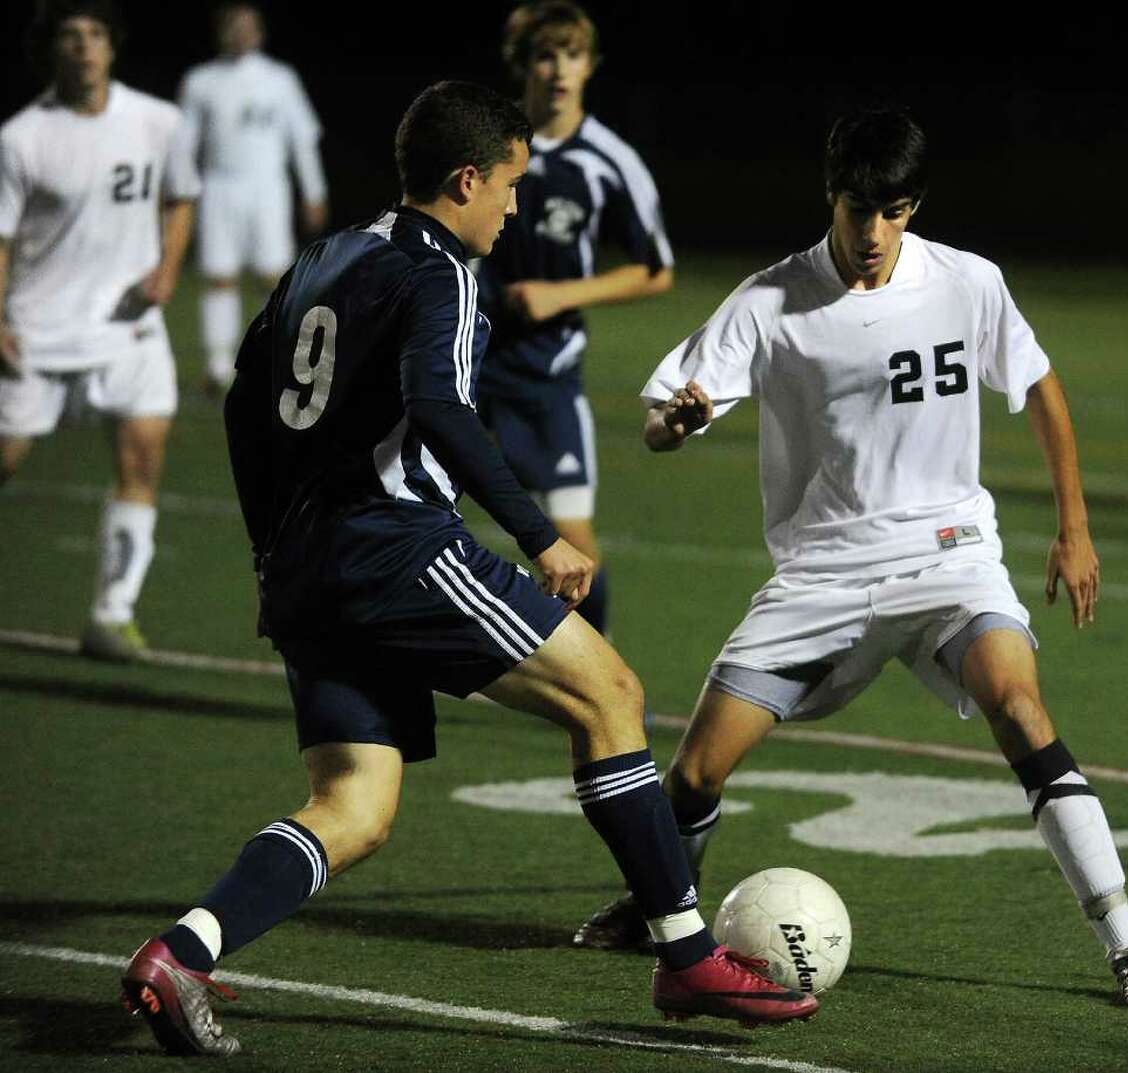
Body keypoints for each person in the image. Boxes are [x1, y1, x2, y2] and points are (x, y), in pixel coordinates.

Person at [118, 80, 816, 1057]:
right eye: (509, 186)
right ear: (465, 179)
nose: (515, 207)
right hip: (391, 543)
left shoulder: (328, 253)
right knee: (610, 693)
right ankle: (689, 953)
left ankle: (179, 953)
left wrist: (269, 553)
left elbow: (246, 400)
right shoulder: (439, 270)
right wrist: (542, 533)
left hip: (307, 562)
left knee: (353, 807)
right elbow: (439, 407)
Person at [572, 107, 1128, 1014]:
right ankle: (659, 908)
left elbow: (1041, 383)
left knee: (1019, 705)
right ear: (832, 195)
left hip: (950, 555)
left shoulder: (967, 281)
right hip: (822, 573)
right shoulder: (771, 300)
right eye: (860, 209)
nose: (874, 233)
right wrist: (682, 420)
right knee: (697, 770)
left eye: (894, 210)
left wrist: (1075, 525)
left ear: (914, 204)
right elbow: (663, 416)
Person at [0, 0, 199, 661]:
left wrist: (168, 269)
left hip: (128, 329)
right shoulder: (22, 137)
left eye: (94, 34)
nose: (83, 45)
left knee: (141, 461)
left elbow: (180, 196)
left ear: (112, 47)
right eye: (70, 35)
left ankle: (112, 616)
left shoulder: (158, 121)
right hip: (39, 328)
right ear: (52, 50)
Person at [474, 1, 674, 637]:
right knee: (414, 517)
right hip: (462, 365)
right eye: (545, 54)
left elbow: (655, 268)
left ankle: (601, 671)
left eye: (573, 55)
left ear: (590, 67)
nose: (560, 69)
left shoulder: (608, 161)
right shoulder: (487, 146)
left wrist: (562, 297)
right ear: (523, 65)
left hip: (543, 377)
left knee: (570, 545)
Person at [177, 2, 328, 395]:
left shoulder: (280, 79)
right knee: (219, 276)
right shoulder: (200, 81)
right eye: (233, 27)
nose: (241, 34)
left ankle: (274, 357)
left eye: (248, 27)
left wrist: (313, 191)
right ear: (221, 32)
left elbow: (302, 138)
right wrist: (180, 194)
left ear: (260, 33)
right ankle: (218, 365)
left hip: (267, 188)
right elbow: (184, 146)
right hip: (218, 186)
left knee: (274, 275)